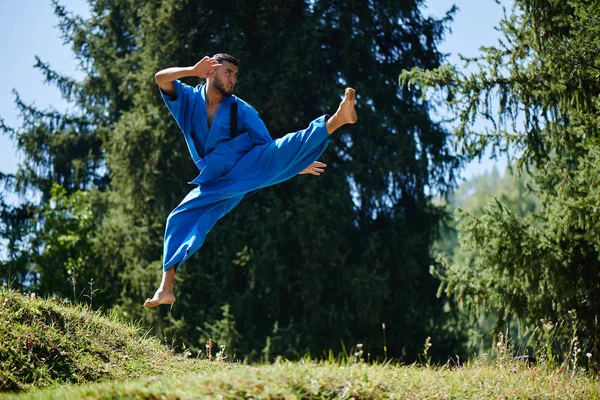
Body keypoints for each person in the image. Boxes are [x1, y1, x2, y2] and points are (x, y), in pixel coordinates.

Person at [144, 54, 357, 307]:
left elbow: (269, 150)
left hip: (245, 168)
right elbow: (161, 79)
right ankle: (165, 289)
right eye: (228, 72)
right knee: (178, 218)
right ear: (211, 70)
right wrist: (192, 69)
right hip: (214, 181)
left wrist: (293, 163)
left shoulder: (241, 109)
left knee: (283, 148)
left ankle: (337, 119)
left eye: (235, 74)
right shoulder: (189, 100)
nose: (233, 79)